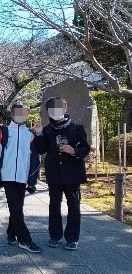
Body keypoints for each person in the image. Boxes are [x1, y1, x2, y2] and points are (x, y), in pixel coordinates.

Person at [33, 97, 90, 250]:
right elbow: (41, 149)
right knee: (54, 206)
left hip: (72, 174)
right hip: (54, 174)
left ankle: (72, 238)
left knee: (74, 206)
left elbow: (85, 148)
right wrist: (38, 135)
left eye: (58, 108)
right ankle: (55, 236)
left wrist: (74, 151)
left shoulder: (76, 128)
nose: (55, 112)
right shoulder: (48, 129)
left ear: (66, 109)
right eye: (52, 110)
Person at [0, 103, 41, 253]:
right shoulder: (4, 130)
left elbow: (35, 157)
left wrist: (31, 179)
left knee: (17, 207)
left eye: (24, 113)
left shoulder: (29, 134)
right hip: (7, 174)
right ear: (12, 114)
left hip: (22, 176)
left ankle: (11, 233)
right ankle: (25, 240)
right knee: (16, 208)